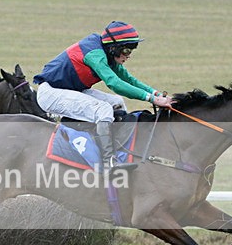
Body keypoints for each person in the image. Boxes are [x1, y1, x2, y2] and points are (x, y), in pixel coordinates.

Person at [34, 21, 173, 171]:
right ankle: (109, 162)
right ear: (114, 48)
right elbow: (114, 83)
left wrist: (155, 93)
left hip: (70, 90)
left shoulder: (108, 53)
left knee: (117, 102)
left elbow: (129, 79)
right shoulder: (95, 54)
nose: (129, 56)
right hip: (50, 93)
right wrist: (150, 99)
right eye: (126, 51)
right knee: (103, 110)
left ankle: (120, 150)